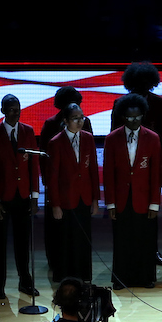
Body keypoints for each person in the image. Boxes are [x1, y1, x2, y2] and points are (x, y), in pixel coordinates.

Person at [0, 94, 40, 301]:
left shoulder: (28, 131)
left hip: (23, 195)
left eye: (17, 109)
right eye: (10, 109)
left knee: (23, 242)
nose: (14, 113)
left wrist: (34, 196)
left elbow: (33, 165)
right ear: (2, 111)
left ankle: (25, 281)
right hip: (3, 197)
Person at [103, 93, 161, 289]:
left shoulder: (152, 138)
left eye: (137, 117)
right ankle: (121, 278)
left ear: (143, 115)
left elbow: (155, 174)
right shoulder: (112, 138)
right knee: (122, 239)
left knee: (145, 239)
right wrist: (110, 203)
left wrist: (154, 203)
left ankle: (145, 277)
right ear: (122, 117)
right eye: (129, 117)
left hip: (144, 198)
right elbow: (109, 173)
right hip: (121, 198)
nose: (134, 121)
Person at [46, 103, 100, 283]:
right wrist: (55, 204)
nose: (80, 121)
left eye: (82, 118)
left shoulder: (88, 138)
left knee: (83, 239)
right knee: (65, 240)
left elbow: (92, 169)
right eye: (76, 119)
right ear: (66, 121)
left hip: (83, 197)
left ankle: (84, 276)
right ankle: (65, 277)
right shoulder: (56, 142)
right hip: (65, 200)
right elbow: (52, 177)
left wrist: (94, 199)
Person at [112, 60, 162, 140]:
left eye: (146, 83)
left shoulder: (159, 103)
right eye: (140, 83)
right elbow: (115, 133)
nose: (143, 86)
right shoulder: (120, 103)